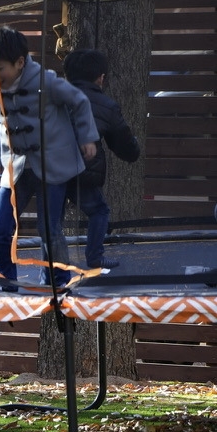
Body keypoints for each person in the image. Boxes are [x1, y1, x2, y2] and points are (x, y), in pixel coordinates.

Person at [0, 26, 98, 287]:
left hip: (51, 163)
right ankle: (6, 279)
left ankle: (57, 281)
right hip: (17, 164)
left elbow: (79, 101)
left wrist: (87, 137)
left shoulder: (46, 82)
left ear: (20, 63)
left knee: (48, 229)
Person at [62, 48, 141, 270]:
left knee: (52, 220)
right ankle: (94, 256)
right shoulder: (105, 105)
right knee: (99, 210)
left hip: (50, 168)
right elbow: (125, 146)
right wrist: (134, 147)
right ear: (101, 77)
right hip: (82, 171)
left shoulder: (53, 98)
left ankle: (52, 266)